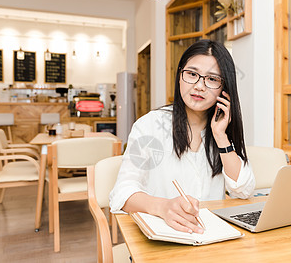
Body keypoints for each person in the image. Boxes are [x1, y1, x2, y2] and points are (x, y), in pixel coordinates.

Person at [109, 39, 255, 234]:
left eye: (212, 79)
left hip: (209, 237)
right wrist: (162, 207)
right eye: (192, 74)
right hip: (163, 237)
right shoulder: (150, 126)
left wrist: (221, 137)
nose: (199, 86)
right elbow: (122, 192)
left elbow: (244, 190)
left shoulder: (222, 130)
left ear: (224, 88)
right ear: (180, 77)